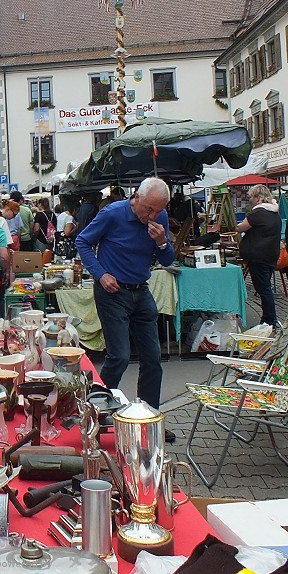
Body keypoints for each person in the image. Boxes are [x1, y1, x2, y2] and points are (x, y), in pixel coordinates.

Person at [75, 177, 175, 440]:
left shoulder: (159, 218)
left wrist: (163, 241)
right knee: (119, 356)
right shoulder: (112, 214)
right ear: (137, 198)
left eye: (158, 210)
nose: (152, 215)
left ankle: (148, 421)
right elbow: (83, 242)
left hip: (140, 290)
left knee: (153, 358)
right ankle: (95, 415)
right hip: (112, 290)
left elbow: (168, 259)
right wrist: (100, 274)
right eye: (149, 209)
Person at [235, 184, 282, 329]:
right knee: (265, 288)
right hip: (270, 255)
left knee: (264, 289)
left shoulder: (258, 213)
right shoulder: (274, 213)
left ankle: (270, 320)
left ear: (258, 198)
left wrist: (233, 224)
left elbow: (240, 227)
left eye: (251, 197)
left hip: (258, 256)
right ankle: (267, 317)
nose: (250, 200)